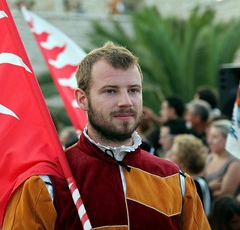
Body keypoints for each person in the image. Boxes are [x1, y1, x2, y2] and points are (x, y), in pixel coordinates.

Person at [2, 42, 210, 229]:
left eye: (134, 90)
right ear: (82, 99)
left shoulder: (174, 180)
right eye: (111, 91)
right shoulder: (48, 183)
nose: (126, 101)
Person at [168, 134, 212, 216]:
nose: (169, 156)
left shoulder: (196, 184)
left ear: (184, 160)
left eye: (173, 153)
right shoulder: (184, 181)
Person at [204, 119, 240, 200]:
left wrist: (204, 190)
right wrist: (208, 188)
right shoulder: (209, 157)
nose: (209, 141)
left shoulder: (235, 163)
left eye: (215, 137)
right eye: (209, 137)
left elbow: (224, 194)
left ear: (228, 139)